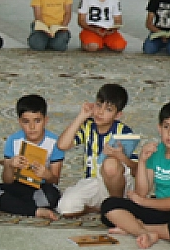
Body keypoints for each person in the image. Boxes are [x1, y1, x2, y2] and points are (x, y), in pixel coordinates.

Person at [100, 100, 170, 247]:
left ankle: (133, 227)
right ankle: (142, 232)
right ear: (159, 128)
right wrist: (143, 161)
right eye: (166, 127)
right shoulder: (156, 152)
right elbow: (142, 191)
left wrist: (143, 202)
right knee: (109, 205)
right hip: (159, 207)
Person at [53, 83, 136, 216]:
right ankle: (98, 208)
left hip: (118, 184)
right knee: (65, 208)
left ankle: (118, 207)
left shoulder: (124, 132)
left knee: (110, 165)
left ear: (118, 115)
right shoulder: (88, 127)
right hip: (93, 182)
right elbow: (62, 145)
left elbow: (136, 170)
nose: (100, 112)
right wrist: (81, 116)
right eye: (98, 105)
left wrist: (121, 157)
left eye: (108, 109)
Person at [0, 93, 64, 219]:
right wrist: (10, 165)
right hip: (19, 186)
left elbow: (55, 180)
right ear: (19, 122)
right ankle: (35, 211)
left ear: (46, 120)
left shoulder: (55, 143)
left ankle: (16, 205)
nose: (32, 127)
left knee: (52, 196)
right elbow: (7, 181)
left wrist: (46, 174)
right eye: (26, 122)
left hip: (41, 188)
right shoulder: (13, 141)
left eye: (37, 121)